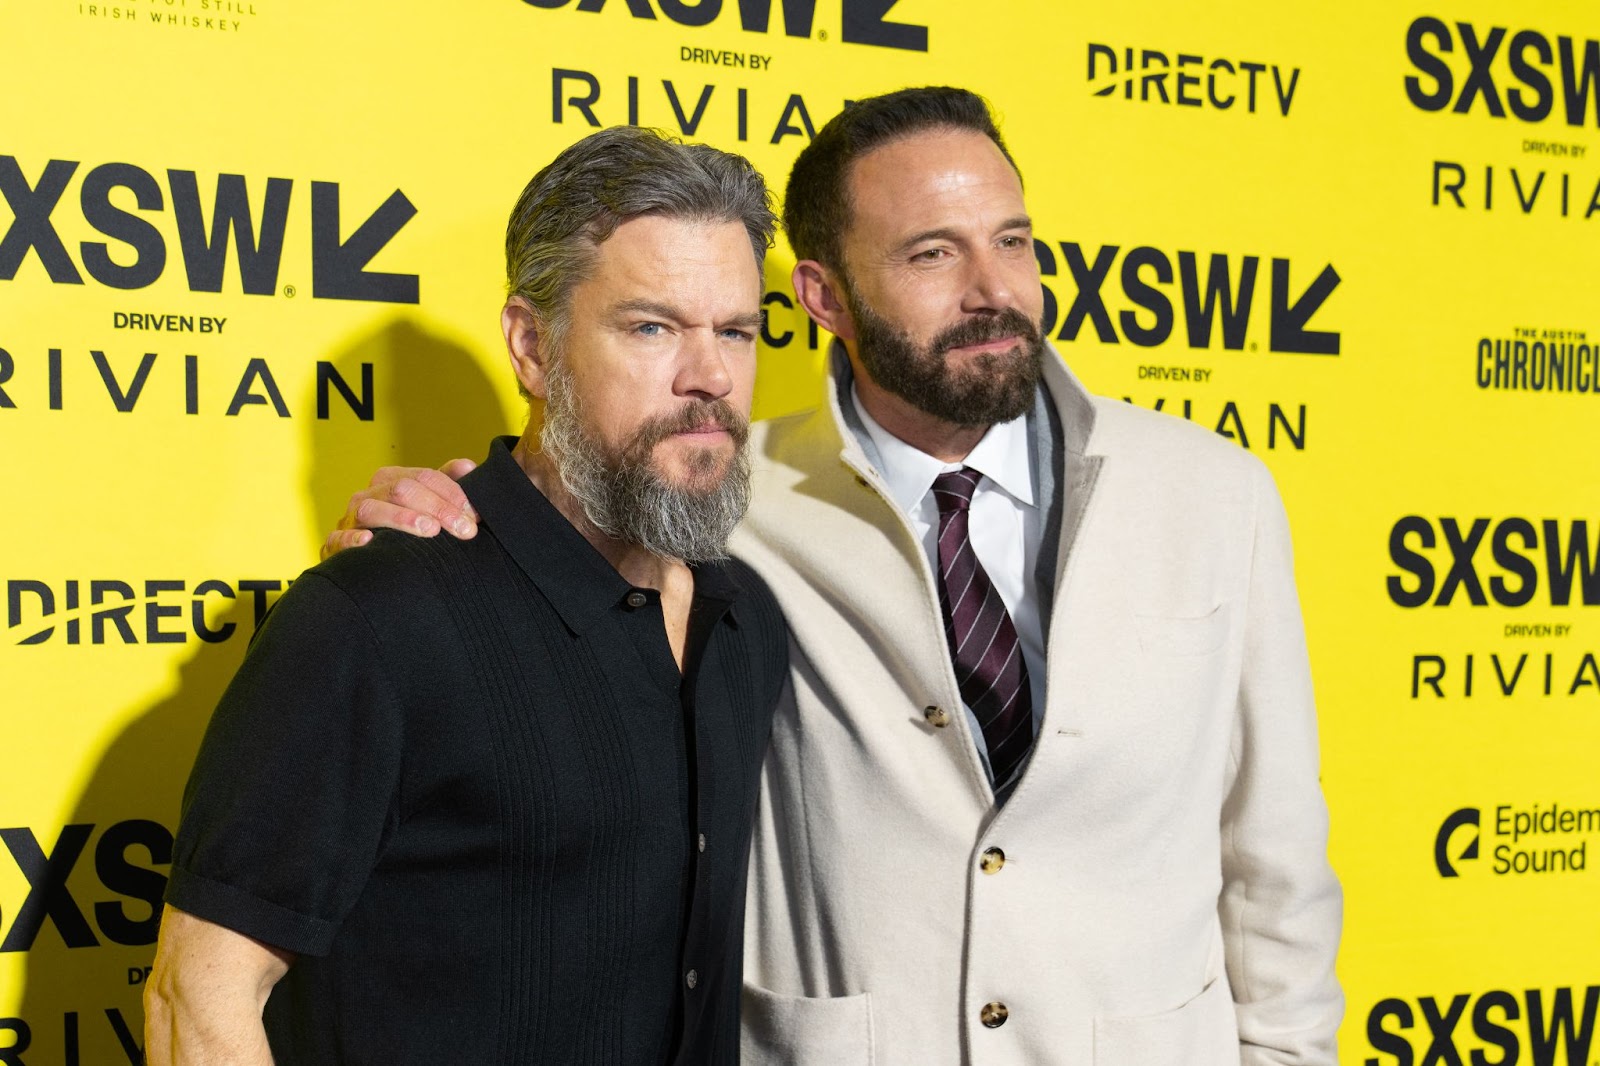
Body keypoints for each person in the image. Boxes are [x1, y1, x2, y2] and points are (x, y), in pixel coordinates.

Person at [327, 88, 1344, 1064]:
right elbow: (537, 562)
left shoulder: (1214, 492)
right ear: (822, 296)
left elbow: (1274, 862)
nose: (993, 288)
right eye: (931, 254)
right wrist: (430, 526)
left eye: (1013, 240)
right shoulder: (721, 495)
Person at [144, 126, 790, 1065]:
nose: (712, 377)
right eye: (652, 327)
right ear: (532, 346)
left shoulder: (747, 624)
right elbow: (195, 998)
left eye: (736, 330)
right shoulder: (374, 621)